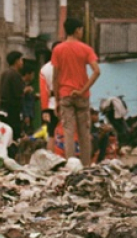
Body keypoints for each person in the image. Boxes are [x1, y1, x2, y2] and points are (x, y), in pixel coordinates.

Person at [52, 18, 100, 166]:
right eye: (81, 29)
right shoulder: (86, 49)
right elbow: (97, 71)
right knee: (84, 134)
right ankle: (86, 166)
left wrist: (57, 98)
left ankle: (70, 166)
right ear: (77, 30)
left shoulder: (58, 49)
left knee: (68, 133)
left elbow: (55, 76)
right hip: (82, 97)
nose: (82, 32)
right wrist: (82, 90)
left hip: (65, 95)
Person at [0, 51, 26, 140]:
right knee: (15, 134)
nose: (22, 63)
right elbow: (18, 93)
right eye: (21, 60)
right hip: (13, 110)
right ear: (16, 61)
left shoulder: (4, 73)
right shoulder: (15, 75)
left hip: (4, 108)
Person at [40, 43, 60, 151]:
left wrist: (44, 110)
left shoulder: (44, 69)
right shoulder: (67, 65)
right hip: (67, 101)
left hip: (51, 104)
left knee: (51, 132)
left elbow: (44, 92)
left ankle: (51, 156)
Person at [21, 68, 36, 133]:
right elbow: (23, 101)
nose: (33, 77)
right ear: (27, 75)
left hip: (30, 113)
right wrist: (26, 115)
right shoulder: (22, 85)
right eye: (32, 75)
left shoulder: (28, 85)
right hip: (26, 114)